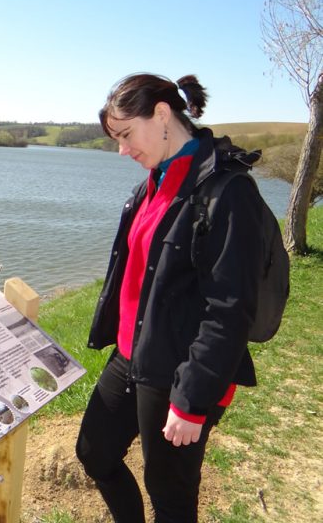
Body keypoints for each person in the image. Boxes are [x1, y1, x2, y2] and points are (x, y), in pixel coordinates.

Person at [76, 73, 263, 522]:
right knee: (95, 452)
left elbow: (231, 307)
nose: (122, 149)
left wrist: (191, 401)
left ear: (161, 115)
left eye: (125, 134)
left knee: (170, 495)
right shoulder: (155, 180)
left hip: (181, 368)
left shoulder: (226, 190)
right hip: (133, 354)